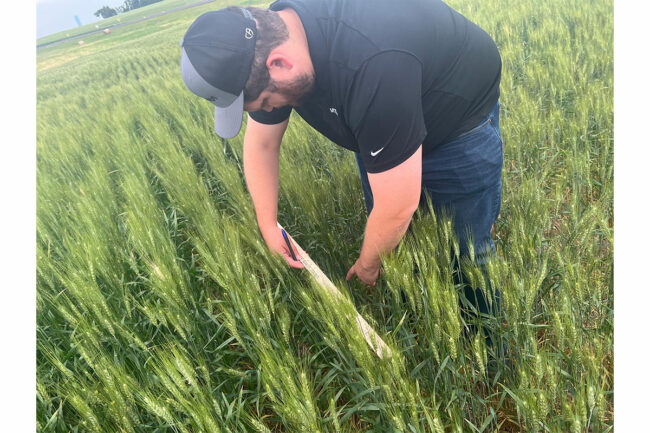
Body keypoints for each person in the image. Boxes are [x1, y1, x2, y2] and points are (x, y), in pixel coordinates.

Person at [180, 0, 503, 345]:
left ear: (280, 64)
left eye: (265, 104)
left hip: (456, 118)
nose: (268, 112)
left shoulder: (372, 63)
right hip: (383, 115)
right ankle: (420, 307)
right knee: (394, 241)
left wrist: (367, 267)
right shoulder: (277, 39)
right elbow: (262, 145)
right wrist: (267, 223)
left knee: (468, 250)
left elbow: (396, 205)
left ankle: (484, 343)